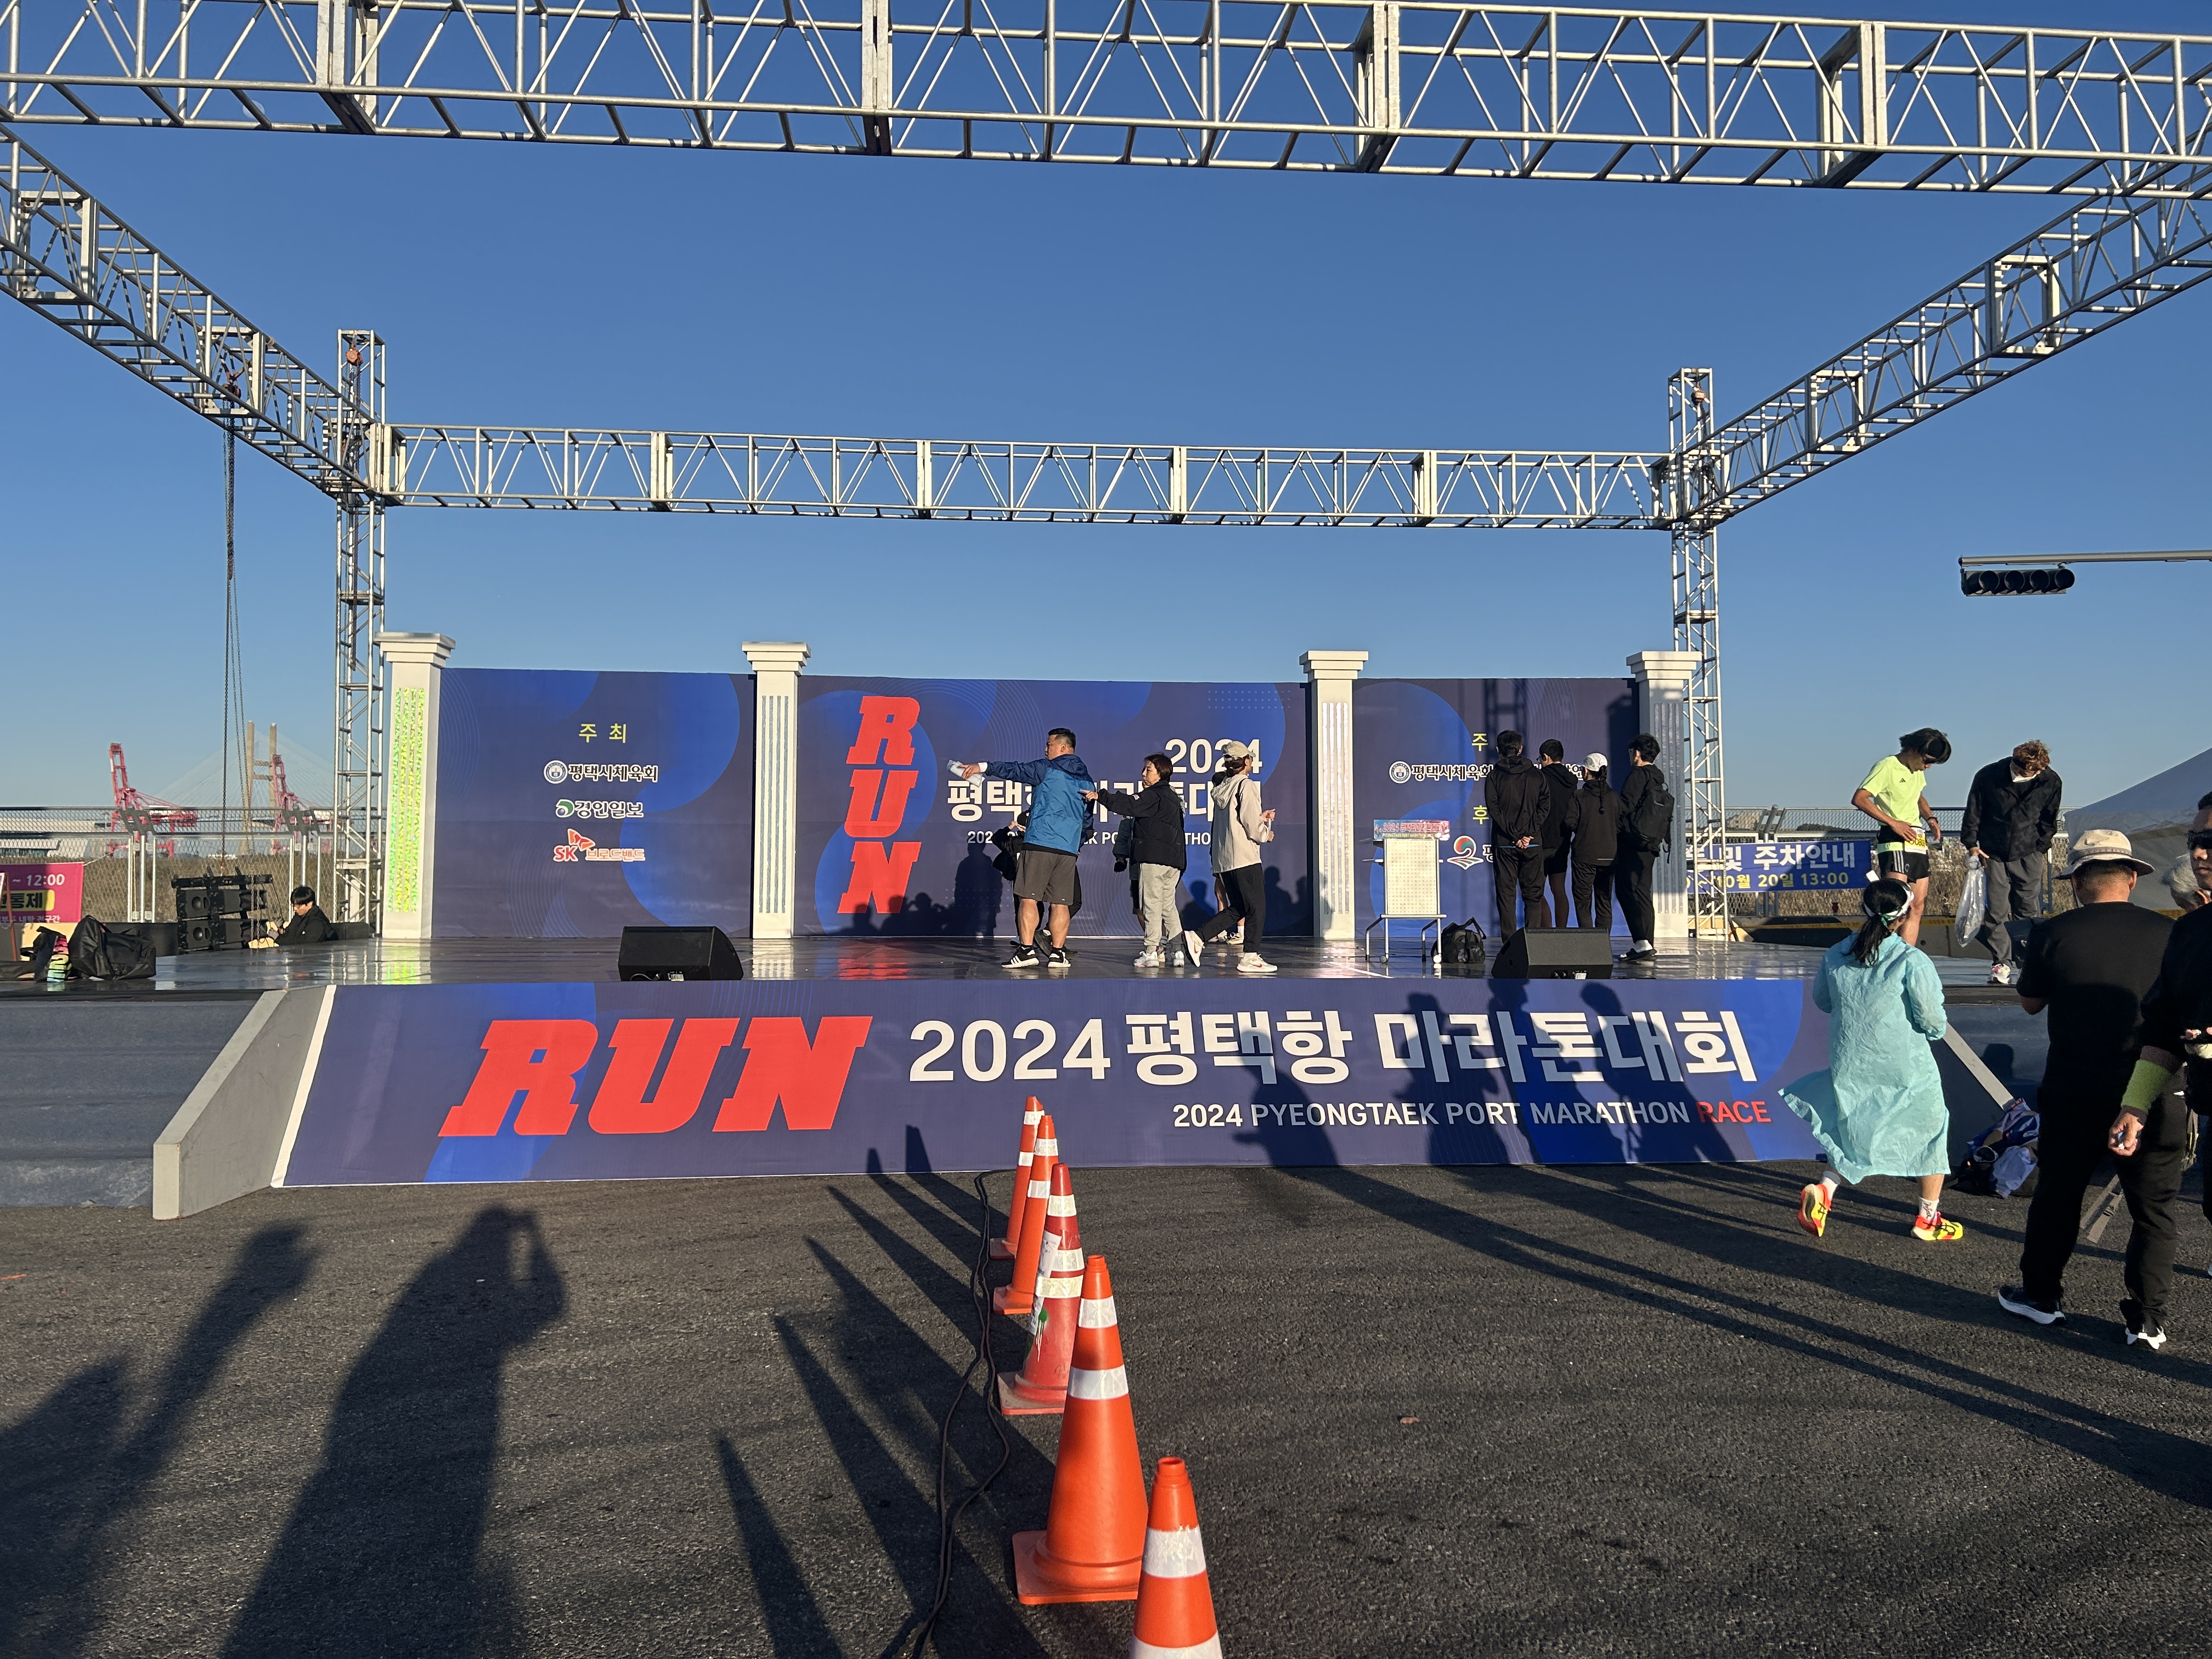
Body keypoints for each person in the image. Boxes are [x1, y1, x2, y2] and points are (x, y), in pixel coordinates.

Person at [1996, 831, 2180, 1345]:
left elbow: (2030, 1002)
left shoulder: (2054, 932)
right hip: (2155, 1084)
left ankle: (2041, 1296)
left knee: (2059, 1193)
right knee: (2153, 1208)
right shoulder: (2170, 933)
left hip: (2075, 1084)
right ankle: (2148, 1318)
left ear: (2076, 882)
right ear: (2133, 878)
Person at [1781, 877, 1965, 1244]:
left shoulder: (1836, 955)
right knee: (1930, 1130)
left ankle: (1825, 1190)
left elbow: (1823, 1000)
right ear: (1905, 915)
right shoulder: (1911, 960)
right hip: (1905, 1062)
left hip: (1851, 1058)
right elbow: (1931, 1020)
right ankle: (1928, 1218)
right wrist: (1932, 1032)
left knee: (1851, 1127)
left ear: (1864, 910)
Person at [2110, 792, 2212, 1277]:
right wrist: (2135, 1107)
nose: (2199, 852)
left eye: (2210, 840)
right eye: (2195, 839)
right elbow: (2165, 1030)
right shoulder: (2190, 934)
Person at [957, 729, 1095, 970]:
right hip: (1067, 849)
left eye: (1049, 745)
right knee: (1061, 903)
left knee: (1029, 898)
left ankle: (1026, 951)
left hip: (1041, 843)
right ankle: (1058, 954)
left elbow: (1016, 770)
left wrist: (983, 767)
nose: (1046, 749)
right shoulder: (1087, 781)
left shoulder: (1048, 769)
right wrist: (1076, 842)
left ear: (1063, 748)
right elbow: (1087, 822)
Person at [1960, 738, 2063, 986]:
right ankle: (2001, 964)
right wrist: (1971, 843)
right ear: (2016, 765)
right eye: (2028, 772)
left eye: (2038, 772)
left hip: (2029, 852)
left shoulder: (2051, 780)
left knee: (2028, 910)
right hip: (1992, 852)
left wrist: (2041, 847)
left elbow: (2049, 819)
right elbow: (1974, 811)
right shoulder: (1988, 775)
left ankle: (2029, 963)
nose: (2033, 775)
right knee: (1996, 911)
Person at [1180, 742, 1276, 973]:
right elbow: (1251, 825)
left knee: (1240, 907)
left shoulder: (1224, 788)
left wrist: (1259, 819)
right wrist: (1265, 833)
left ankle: (1198, 937)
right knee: (1258, 908)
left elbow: (1234, 822)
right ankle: (1250, 957)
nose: (1251, 762)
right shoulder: (1246, 785)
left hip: (1226, 860)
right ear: (1246, 762)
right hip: (1245, 857)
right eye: (1250, 758)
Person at [1852, 727, 1951, 949]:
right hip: (1894, 838)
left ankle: (1906, 955)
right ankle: (1880, 951)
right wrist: (1893, 822)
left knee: (1917, 904)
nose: (1928, 767)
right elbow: (1860, 798)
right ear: (1914, 751)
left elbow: (1918, 796)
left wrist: (1930, 818)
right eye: (1927, 761)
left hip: (1917, 838)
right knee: (1895, 904)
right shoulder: (1887, 766)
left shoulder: (1917, 771)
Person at [1091, 753, 1187, 968]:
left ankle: (1151, 952)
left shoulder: (1153, 795)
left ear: (1161, 773)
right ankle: (1177, 951)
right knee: (1168, 906)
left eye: (1149, 770)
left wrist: (1102, 796)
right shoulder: (1174, 798)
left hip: (1154, 859)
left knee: (1151, 905)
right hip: (1174, 861)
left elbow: (1129, 805)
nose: (1143, 774)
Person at [1482, 730, 1551, 936]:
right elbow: (1545, 806)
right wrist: (1528, 834)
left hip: (1505, 843)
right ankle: (1533, 945)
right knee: (1533, 896)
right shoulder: (1537, 775)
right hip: (1532, 843)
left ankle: (1510, 946)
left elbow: (1494, 809)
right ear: (1520, 749)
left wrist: (1515, 835)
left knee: (1506, 896)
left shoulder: (1494, 776)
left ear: (1498, 750)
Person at [1615, 733, 1666, 963]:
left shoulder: (1638, 776)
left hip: (1632, 841)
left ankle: (1641, 942)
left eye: (1631, 752)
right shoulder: (1657, 778)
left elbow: (1625, 806)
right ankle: (1647, 943)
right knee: (1643, 893)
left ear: (1637, 754)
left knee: (1627, 890)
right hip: (1651, 843)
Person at [1565, 753, 1623, 933]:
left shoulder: (1579, 795)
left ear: (1587, 771)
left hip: (1584, 855)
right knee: (1604, 901)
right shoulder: (1614, 797)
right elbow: (1621, 825)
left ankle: (1589, 942)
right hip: (1609, 856)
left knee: (1583, 902)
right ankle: (1603, 942)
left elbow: (1570, 822)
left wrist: (1584, 830)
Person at [1536, 740, 1580, 934]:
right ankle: (1562, 932)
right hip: (1563, 840)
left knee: (1536, 891)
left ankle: (1548, 931)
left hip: (1541, 840)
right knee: (1559, 890)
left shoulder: (1540, 778)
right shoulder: (1572, 780)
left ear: (1546, 757)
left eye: (1540, 759)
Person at [249, 885, 336, 949]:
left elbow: (303, 943)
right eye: (294, 905)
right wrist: (281, 931)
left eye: (298, 906)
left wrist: (279, 939)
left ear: (310, 904)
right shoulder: (299, 916)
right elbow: (291, 934)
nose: (295, 909)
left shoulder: (317, 922)